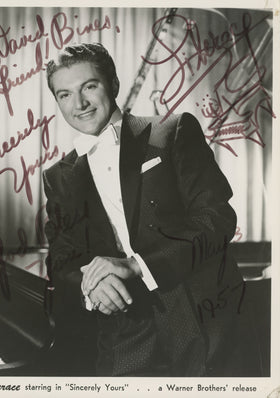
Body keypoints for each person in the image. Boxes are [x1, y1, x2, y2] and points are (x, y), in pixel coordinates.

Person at [43, 43, 261, 376]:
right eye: (64, 95)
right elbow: (62, 257)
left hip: (199, 319)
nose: (80, 104)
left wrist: (137, 266)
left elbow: (216, 219)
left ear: (113, 85)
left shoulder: (171, 131)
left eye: (89, 86)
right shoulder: (59, 176)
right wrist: (92, 285)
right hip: (121, 328)